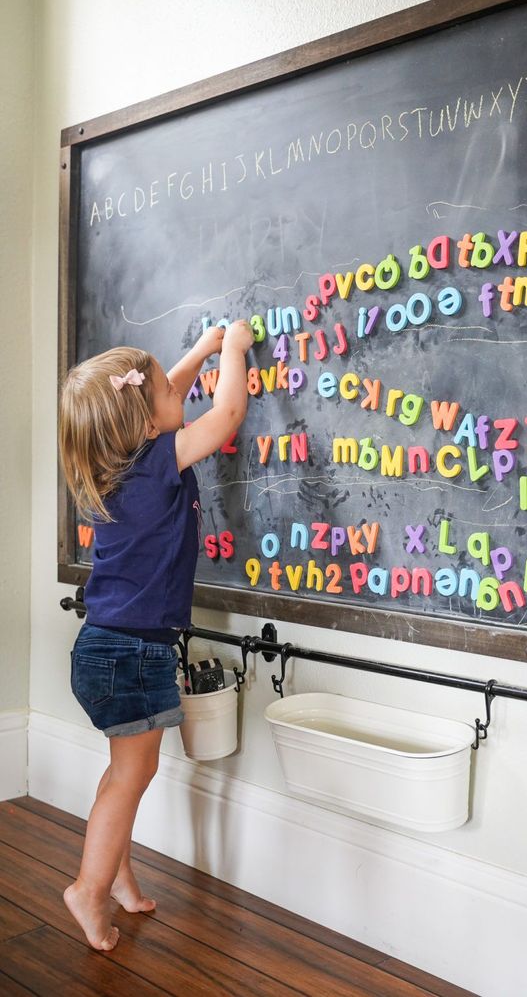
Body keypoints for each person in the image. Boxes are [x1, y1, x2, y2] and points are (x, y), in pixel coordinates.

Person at [57, 319, 254, 951]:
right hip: (132, 652)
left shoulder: (121, 466)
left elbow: (163, 391)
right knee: (131, 776)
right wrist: (232, 350)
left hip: (103, 647)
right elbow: (223, 417)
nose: (180, 391)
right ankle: (87, 890)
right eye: (167, 396)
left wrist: (196, 350)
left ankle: (113, 876)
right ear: (148, 427)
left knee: (120, 774)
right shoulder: (156, 465)